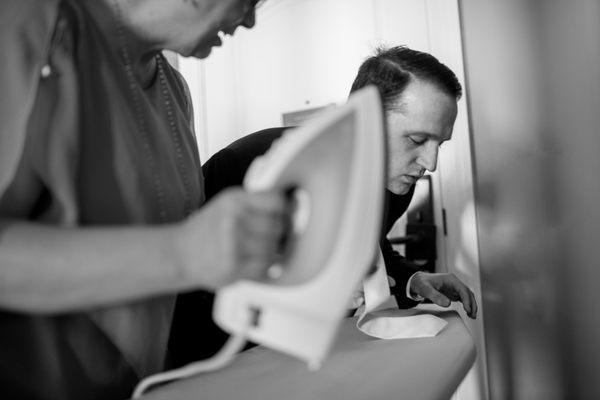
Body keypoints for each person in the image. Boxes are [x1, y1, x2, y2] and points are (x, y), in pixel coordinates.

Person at [0, 0, 287, 399]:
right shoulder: (32, 23)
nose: (250, 20)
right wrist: (183, 253)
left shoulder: (175, 89)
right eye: (249, 2)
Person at [169, 46, 478, 366]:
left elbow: (374, 248)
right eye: (416, 140)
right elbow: (188, 283)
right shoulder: (245, 165)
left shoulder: (397, 186)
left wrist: (413, 279)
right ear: (365, 117)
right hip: (216, 361)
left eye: (439, 144)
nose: (431, 163)